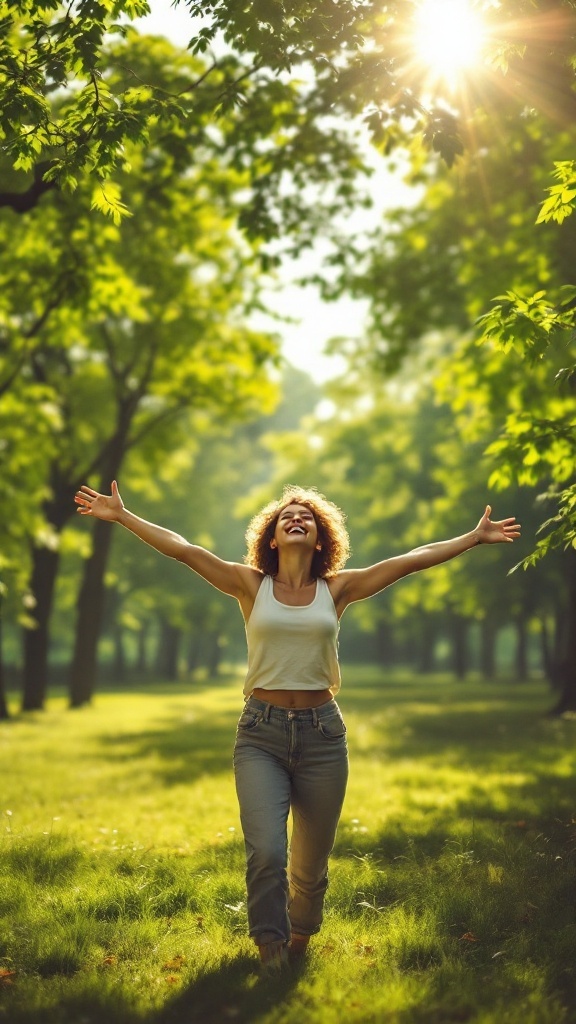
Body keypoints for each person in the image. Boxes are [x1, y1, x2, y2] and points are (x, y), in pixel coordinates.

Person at [74, 480, 520, 969]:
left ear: (320, 536)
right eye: (287, 514)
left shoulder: (337, 589)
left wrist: (472, 538)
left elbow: (412, 558)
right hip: (259, 734)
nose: (296, 517)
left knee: (309, 866)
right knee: (267, 849)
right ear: (271, 535)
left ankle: (300, 938)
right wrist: (124, 516)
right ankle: (270, 945)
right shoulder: (250, 585)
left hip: (323, 736)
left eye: (306, 515)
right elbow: (185, 550)